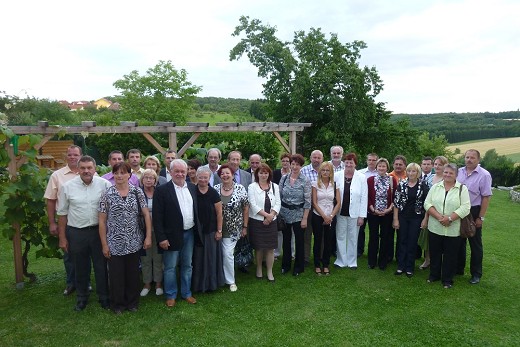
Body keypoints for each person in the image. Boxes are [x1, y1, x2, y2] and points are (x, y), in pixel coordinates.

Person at [57, 155, 112, 311]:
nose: (86, 171)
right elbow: (62, 214)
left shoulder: (105, 185)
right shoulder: (68, 187)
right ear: (78, 169)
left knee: (101, 266)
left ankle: (104, 297)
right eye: (83, 168)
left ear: (95, 168)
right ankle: (82, 298)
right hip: (76, 233)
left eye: (89, 168)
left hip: (98, 232)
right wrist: (62, 238)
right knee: (80, 267)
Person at [99, 162, 152, 313]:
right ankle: (118, 304)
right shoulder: (107, 194)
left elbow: (146, 215)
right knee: (116, 276)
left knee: (133, 274)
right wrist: (104, 244)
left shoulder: (137, 192)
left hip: (134, 241)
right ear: (113, 175)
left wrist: (148, 237)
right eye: (116, 173)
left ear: (130, 175)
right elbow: (102, 221)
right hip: (114, 242)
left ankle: (132, 303)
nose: (119, 176)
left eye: (123, 173)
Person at [153, 159, 201, 307]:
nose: (180, 174)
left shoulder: (193, 188)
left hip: (189, 233)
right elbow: (157, 216)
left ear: (187, 172)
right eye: (177, 171)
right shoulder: (162, 190)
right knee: (170, 267)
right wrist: (161, 238)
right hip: (171, 235)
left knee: (187, 265)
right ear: (171, 172)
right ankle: (171, 294)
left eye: (183, 171)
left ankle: (186, 293)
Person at [424, 163, 470, 288]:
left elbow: (466, 207)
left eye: (451, 173)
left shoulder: (462, 189)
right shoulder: (435, 187)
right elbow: (427, 203)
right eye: (446, 172)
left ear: (456, 175)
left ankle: (447, 279)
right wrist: (439, 217)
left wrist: (450, 218)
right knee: (435, 252)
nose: (447, 175)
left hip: (453, 229)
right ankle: (434, 275)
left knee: (451, 255)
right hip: (435, 226)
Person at [44, 145, 82, 296]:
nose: (72, 157)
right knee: (69, 254)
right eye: (70, 155)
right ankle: (71, 283)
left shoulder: (88, 172)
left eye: (75, 155)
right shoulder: (57, 176)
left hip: (85, 222)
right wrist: (52, 222)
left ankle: (84, 282)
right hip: (65, 222)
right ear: (66, 156)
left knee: (86, 254)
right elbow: (51, 200)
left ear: (81, 156)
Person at [456, 149, 492, 284]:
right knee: (459, 242)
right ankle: (458, 269)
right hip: (459, 210)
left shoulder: (484, 175)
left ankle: (476, 274)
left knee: (475, 244)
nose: (469, 160)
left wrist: (480, 218)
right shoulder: (459, 172)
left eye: (472, 158)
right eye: (467, 157)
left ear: (478, 159)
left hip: (474, 210)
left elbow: (486, 197)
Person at [213, 164, 249, 291]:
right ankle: (217, 278)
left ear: (233, 175)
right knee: (217, 254)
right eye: (222, 173)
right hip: (216, 228)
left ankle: (230, 281)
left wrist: (245, 226)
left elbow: (245, 208)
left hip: (233, 228)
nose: (225, 175)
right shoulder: (215, 188)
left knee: (227, 253)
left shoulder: (240, 188)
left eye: (227, 173)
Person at [192, 166, 225, 293]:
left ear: (209, 178)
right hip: (196, 232)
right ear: (197, 177)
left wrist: (219, 230)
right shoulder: (192, 191)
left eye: (205, 177)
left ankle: (211, 284)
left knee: (211, 258)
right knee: (198, 259)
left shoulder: (213, 193)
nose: (203, 179)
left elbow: (219, 213)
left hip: (211, 231)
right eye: (200, 177)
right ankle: (198, 285)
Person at [393, 163, 429, 277]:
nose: (411, 173)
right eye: (409, 171)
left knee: (412, 242)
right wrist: (395, 219)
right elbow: (396, 203)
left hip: (416, 217)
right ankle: (400, 266)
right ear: (406, 172)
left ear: (418, 173)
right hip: (402, 217)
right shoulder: (402, 183)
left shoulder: (423, 185)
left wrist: (425, 219)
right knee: (402, 240)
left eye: (414, 171)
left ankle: (409, 267)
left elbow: (427, 203)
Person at [333, 153, 367, 270]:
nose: (348, 164)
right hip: (340, 212)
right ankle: (341, 260)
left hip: (355, 213)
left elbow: (364, 197)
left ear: (355, 164)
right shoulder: (337, 175)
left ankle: (352, 261)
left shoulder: (361, 177)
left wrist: (362, 216)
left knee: (353, 237)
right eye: (346, 162)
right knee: (340, 236)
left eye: (351, 162)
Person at [279, 154, 311, 276]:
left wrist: (305, 218)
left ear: (301, 166)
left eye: (297, 164)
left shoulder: (305, 180)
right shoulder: (284, 178)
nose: (295, 166)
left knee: (299, 241)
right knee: (286, 240)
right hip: (285, 213)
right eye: (293, 164)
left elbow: (308, 201)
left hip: (299, 214)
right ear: (290, 164)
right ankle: (285, 265)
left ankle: (298, 267)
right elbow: (280, 195)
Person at [248, 163, 281, 282]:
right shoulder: (252, 187)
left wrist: (271, 216)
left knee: (270, 248)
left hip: (272, 222)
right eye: (261, 173)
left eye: (266, 173)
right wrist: (266, 216)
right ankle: (259, 269)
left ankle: (270, 271)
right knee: (259, 247)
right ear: (257, 174)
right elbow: (252, 204)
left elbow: (278, 203)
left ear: (269, 174)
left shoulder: (275, 186)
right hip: (257, 222)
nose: (263, 175)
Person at [367, 158, 397, 270]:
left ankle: (383, 261)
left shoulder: (392, 180)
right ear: (376, 167)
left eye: (383, 166)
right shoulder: (370, 180)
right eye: (379, 166)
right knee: (373, 237)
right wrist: (373, 209)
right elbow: (368, 197)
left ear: (387, 168)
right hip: (373, 213)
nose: (381, 168)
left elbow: (395, 197)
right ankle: (372, 261)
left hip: (387, 214)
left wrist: (388, 209)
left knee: (385, 237)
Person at [418, 155, 448, 270]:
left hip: (441, 212)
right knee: (428, 238)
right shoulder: (429, 178)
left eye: (440, 164)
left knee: (440, 239)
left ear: (445, 165)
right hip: (428, 210)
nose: (437, 167)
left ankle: (439, 261)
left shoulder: (446, 179)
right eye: (435, 164)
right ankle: (427, 260)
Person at [312, 162, 341, 274]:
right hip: (318, 215)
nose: (325, 172)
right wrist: (324, 216)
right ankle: (317, 264)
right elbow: (314, 202)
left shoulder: (335, 185)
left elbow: (338, 202)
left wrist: (331, 216)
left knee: (328, 241)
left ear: (331, 172)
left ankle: (326, 264)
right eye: (323, 170)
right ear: (320, 172)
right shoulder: (315, 184)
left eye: (327, 170)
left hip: (331, 216)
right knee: (318, 241)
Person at [138, 169, 163, 297]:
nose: (148, 180)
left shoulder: (159, 192)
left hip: (157, 230)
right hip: (143, 231)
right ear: (142, 180)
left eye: (151, 178)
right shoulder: (138, 193)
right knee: (146, 258)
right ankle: (147, 283)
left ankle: (158, 283)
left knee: (158, 258)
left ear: (155, 180)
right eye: (146, 177)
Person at [301, 149, 323, 265]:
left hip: (322, 208)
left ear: (322, 159)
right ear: (310, 158)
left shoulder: (326, 171)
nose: (316, 160)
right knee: (306, 234)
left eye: (319, 158)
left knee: (321, 234)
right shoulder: (303, 171)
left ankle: (320, 256)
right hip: (308, 208)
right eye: (314, 157)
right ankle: (305, 258)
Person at [357, 153, 379, 257]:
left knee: (373, 231)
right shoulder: (360, 173)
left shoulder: (381, 173)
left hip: (374, 207)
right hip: (361, 206)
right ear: (366, 161)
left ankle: (372, 251)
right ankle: (359, 250)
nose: (371, 162)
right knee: (360, 229)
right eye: (370, 160)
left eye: (374, 160)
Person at [272, 153, 291, 259]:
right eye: (283, 161)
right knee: (279, 229)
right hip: (278, 204)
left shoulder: (293, 173)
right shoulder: (275, 173)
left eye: (287, 161)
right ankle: (277, 252)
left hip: (290, 205)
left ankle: (291, 253)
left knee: (290, 230)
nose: (285, 163)